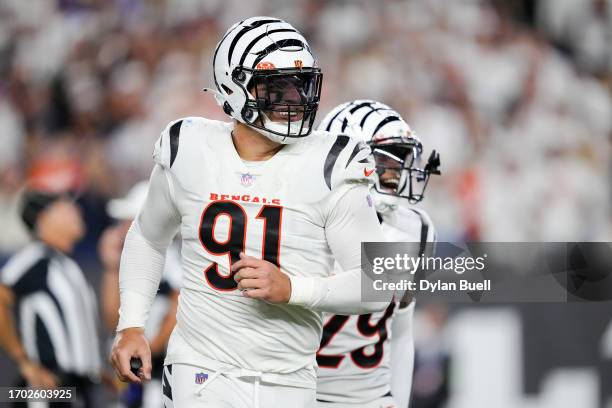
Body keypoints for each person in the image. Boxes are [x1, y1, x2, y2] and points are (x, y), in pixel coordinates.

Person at [110, 16, 390, 408]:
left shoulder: (329, 162)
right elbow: (148, 237)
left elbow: (380, 282)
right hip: (200, 371)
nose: (294, 99)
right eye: (277, 87)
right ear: (233, 86)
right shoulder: (188, 148)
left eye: (301, 84)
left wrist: (293, 289)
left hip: (289, 378)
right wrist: (132, 324)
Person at [315, 100, 441, 408]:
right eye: (386, 159)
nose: (396, 172)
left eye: (401, 159)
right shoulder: (301, 223)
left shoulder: (416, 230)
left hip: (370, 398)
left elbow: (400, 331)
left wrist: (397, 400)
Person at [0, 188, 102, 407]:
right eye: (66, 207)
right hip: (50, 392)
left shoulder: (66, 264)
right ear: (44, 218)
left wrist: (94, 367)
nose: (76, 211)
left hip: (78, 389)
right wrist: (24, 362)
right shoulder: (34, 258)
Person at [99, 181, 181, 407]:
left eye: (129, 219)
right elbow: (111, 319)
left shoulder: (171, 259)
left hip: (159, 372)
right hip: (135, 370)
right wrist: (111, 267)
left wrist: (149, 348)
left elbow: (177, 307)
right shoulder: (127, 261)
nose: (123, 226)